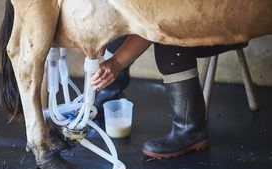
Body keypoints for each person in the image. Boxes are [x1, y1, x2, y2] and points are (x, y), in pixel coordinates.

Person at [92, 35, 247, 158]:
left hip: (228, 27)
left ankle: (190, 130)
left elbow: (152, 26)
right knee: (126, 18)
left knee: (167, 36)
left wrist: (117, 62)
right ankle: (109, 92)